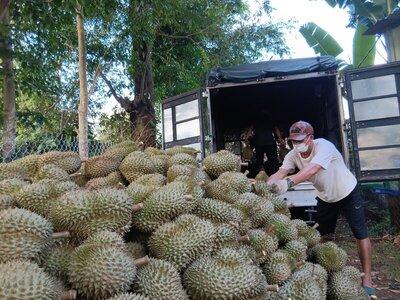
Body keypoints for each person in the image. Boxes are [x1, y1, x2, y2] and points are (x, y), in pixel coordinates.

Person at [267, 120, 375, 297]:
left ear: (310, 138)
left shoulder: (324, 146)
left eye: (300, 140)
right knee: (324, 235)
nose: (297, 144)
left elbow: (312, 169)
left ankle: (368, 278)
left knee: (360, 233)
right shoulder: (292, 155)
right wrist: (265, 186)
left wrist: (287, 183)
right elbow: (280, 173)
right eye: (294, 140)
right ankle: (325, 271)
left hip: (347, 191)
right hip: (325, 196)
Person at [250, 111, 283, 176]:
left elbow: (250, 129)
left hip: (260, 143)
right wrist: (280, 138)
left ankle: (259, 175)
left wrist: (246, 138)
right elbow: (276, 130)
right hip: (269, 143)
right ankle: (272, 174)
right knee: (272, 160)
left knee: (260, 161)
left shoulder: (257, 120)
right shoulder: (270, 120)